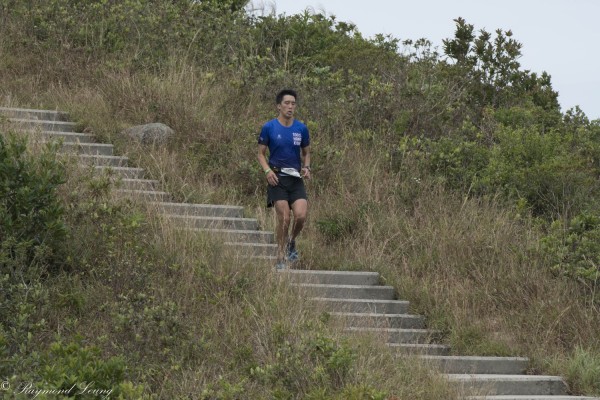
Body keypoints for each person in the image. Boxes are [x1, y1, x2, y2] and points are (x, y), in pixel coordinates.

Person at [257, 89, 311, 270]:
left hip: (295, 179)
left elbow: (306, 153)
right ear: (278, 106)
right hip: (277, 178)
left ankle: (291, 241)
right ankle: (280, 256)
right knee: (285, 218)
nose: (290, 107)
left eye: (293, 103)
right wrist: (267, 171)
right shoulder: (269, 127)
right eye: (287, 103)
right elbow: (260, 154)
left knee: (301, 216)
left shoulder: (301, 128)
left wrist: (306, 167)